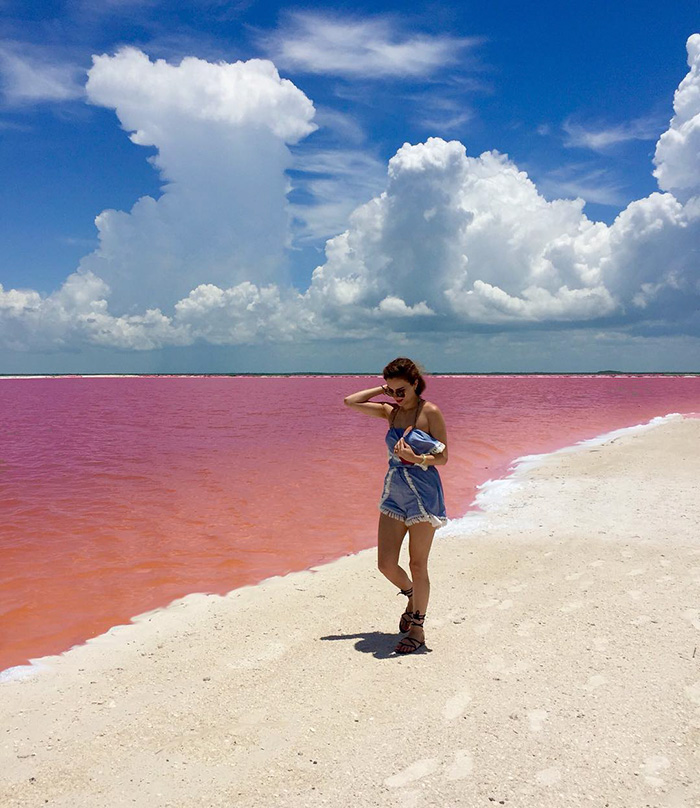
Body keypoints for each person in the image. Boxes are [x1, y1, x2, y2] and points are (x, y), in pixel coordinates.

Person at [343, 357, 448, 654]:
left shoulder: (430, 413)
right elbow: (350, 401)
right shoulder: (391, 412)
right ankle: (412, 596)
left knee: (417, 564)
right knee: (386, 563)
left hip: (425, 494)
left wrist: (418, 459)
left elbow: (444, 457)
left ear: (415, 384)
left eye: (402, 390)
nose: (397, 397)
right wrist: (383, 390)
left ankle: (418, 630)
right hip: (395, 492)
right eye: (393, 391)